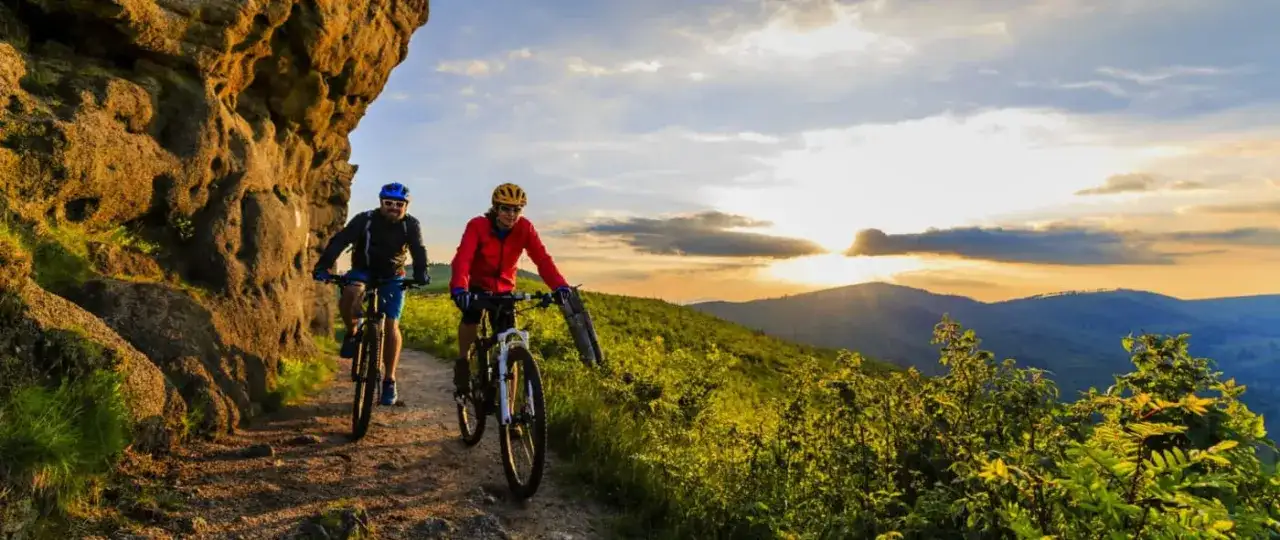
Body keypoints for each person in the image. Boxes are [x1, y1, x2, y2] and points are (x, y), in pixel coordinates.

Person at [312, 182, 429, 406]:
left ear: (406, 206)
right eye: (388, 203)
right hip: (362, 270)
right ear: (380, 203)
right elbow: (341, 240)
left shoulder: (410, 225)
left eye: (399, 204)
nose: (394, 208)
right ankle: (352, 331)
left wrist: (422, 273)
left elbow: (418, 249)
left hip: (393, 276)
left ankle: (389, 380)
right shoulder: (364, 220)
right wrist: (324, 265)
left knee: (391, 325)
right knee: (351, 292)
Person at [448, 182, 571, 395]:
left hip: (504, 289)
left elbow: (542, 259)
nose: (511, 214)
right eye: (506, 208)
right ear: (496, 208)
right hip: (477, 285)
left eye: (516, 209)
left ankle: (511, 414)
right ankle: (463, 361)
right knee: (470, 318)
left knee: (509, 348)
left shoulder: (525, 229)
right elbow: (463, 258)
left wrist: (559, 285)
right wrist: (460, 288)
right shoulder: (477, 225)